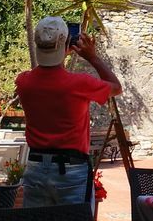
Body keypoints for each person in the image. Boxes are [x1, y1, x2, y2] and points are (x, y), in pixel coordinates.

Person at [15, 16, 122, 207]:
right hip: (71, 169)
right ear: (66, 45)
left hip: (36, 166)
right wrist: (92, 57)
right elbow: (116, 87)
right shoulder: (79, 84)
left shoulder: (23, 82)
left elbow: (45, 76)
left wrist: (62, 50)